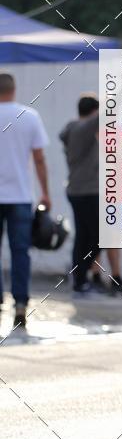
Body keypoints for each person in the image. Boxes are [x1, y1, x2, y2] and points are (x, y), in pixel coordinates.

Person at [0, 71, 51, 331]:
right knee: (20, 252)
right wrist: (45, 193)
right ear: (14, 90)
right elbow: (39, 159)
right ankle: (20, 305)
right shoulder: (28, 116)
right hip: (20, 196)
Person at [59, 94, 102, 296]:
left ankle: (80, 280)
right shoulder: (81, 129)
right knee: (100, 237)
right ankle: (80, 276)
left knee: (84, 237)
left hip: (78, 190)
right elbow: (100, 118)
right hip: (86, 191)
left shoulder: (73, 129)